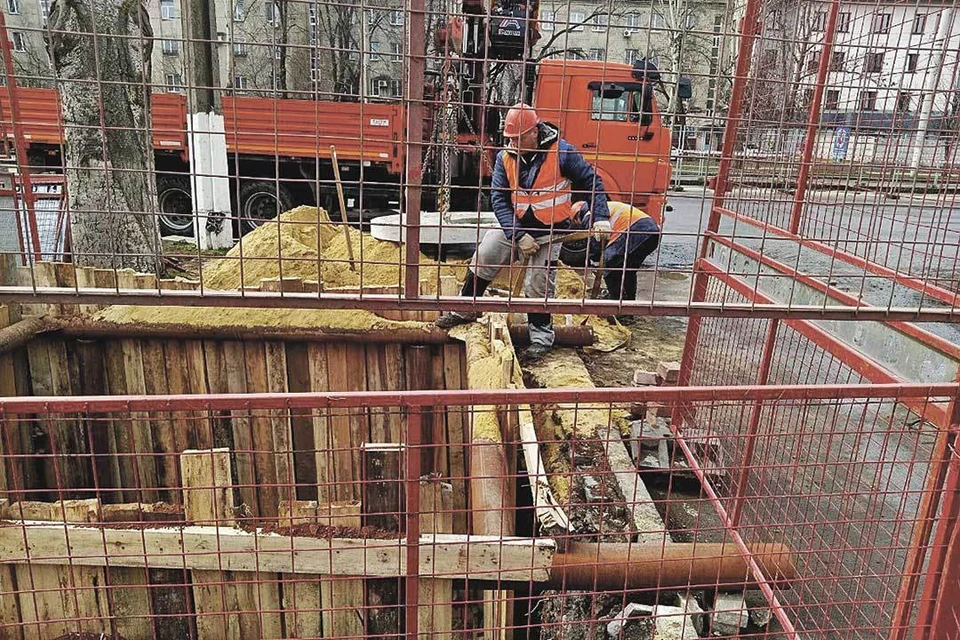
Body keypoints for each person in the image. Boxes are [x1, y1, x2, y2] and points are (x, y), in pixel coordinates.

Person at [435, 102, 611, 360]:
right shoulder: (504, 157)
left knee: (538, 282)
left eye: (518, 138)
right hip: (515, 226)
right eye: (510, 139)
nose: (513, 143)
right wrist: (517, 235)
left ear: (535, 131)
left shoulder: (563, 152)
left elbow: (591, 181)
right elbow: (499, 199)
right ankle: (465, 308)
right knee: (485, 253)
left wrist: (601, 217)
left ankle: (541, 337)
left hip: (552, 230)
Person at [571, 200, 661, 316]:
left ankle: (615, 307)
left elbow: (595, 241)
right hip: (651, 232)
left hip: (635, 229)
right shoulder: (602, 207)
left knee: (610, 268)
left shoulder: (589, 214)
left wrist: (595, 259)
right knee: (627, 271)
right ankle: (628, 306)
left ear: (577, 215)